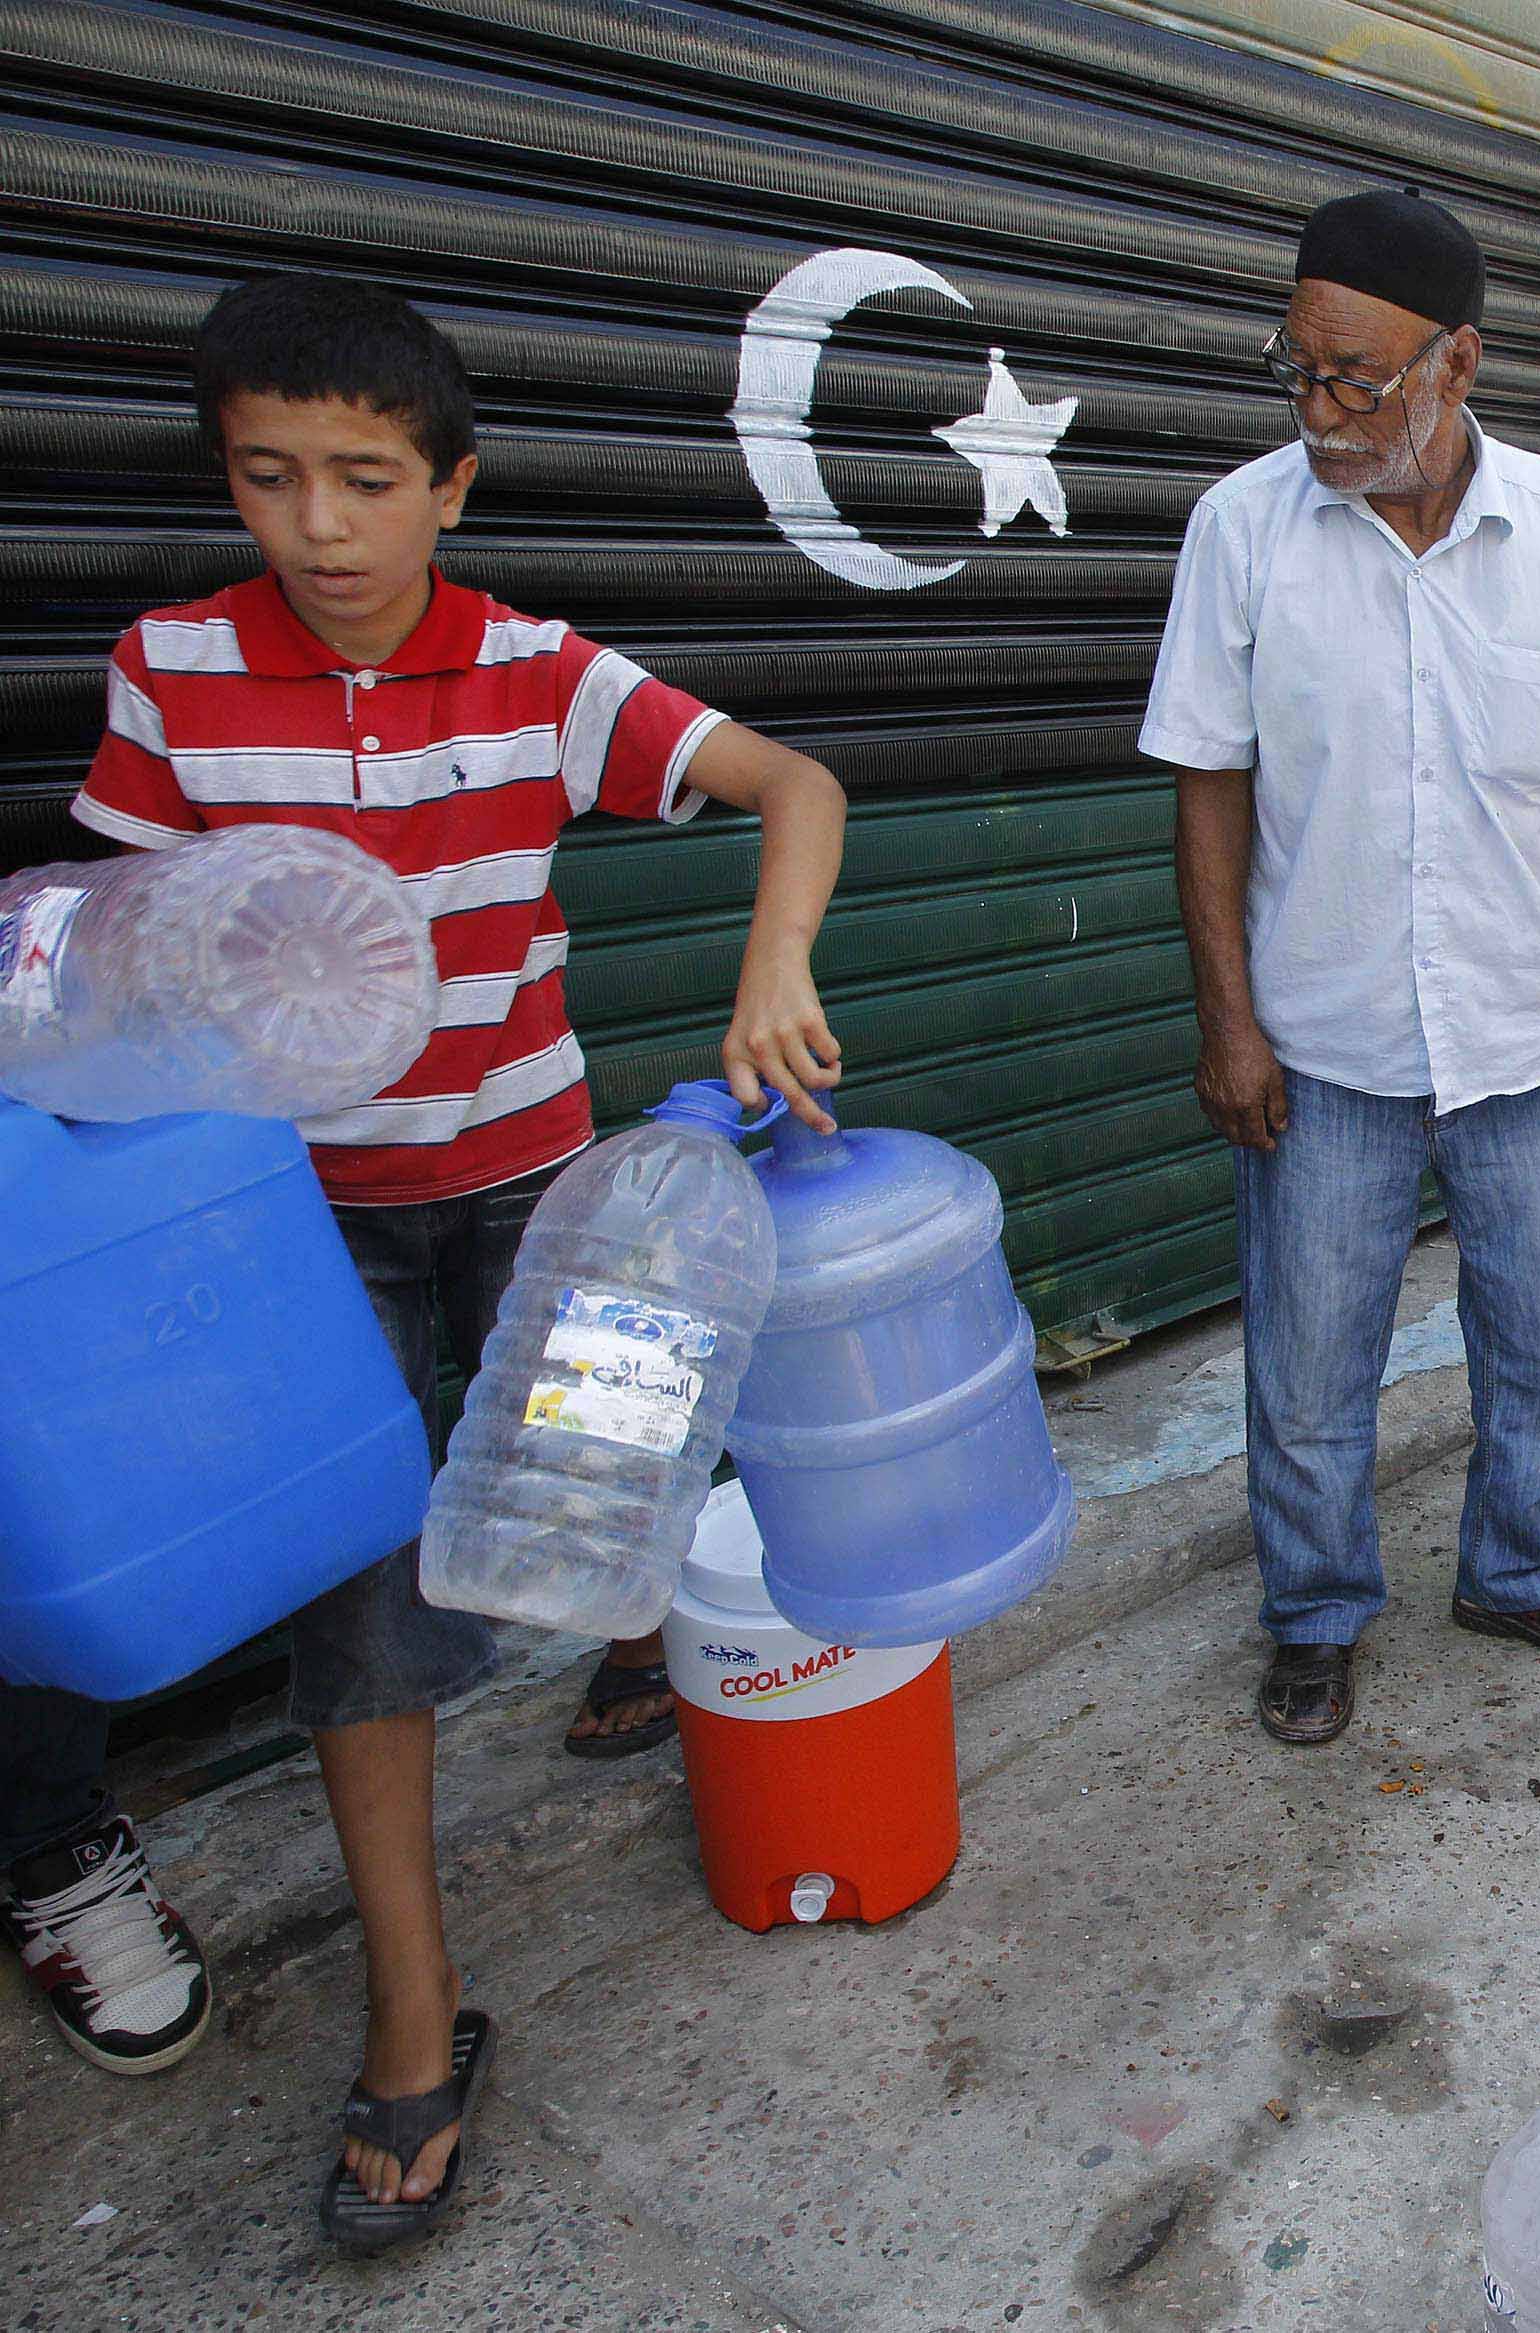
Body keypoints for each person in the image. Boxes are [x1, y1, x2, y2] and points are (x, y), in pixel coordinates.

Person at [43, 272, 849, 2243]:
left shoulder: (533, 670)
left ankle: (638, 1652)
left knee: (618, 1448)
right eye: (271, 477)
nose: (321, 527)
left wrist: (773, 961)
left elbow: (794, 783)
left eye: (367, 481)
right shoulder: (173, 669)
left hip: (542, 1178)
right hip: (291, 1229)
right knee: (369, 1609)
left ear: (451, 487)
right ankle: (417, 2001)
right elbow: (107, 939)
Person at [1141, 189, 1540, 1748]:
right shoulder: (1243, 529)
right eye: (1298, 371)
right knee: (1310, 1369)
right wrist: (1227, 1019)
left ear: (1462, 364)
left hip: (1517, 1032)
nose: (1320, 410)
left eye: (1357, 379)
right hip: (1325, 1039)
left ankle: (1518, 1572)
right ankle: (1314, 1616)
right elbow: (1206, 783)